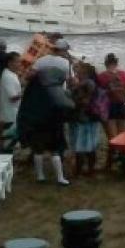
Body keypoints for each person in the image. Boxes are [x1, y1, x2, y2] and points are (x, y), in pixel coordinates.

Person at [17, 38, 74, 186]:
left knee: (38, 142)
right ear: (62, 50)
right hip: (57, 103)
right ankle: (60, 177)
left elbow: (29, 76)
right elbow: (71, 82)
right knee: (56, 140)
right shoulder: (65, 63)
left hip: (40, 102)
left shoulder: (41, 61)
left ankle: (40, 176)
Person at [68, 61, 102, 177]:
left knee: (80, 146)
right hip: (91, 117)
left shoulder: (86, 83)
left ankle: (79, 171)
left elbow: (84, 101)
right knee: (89, 145)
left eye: (78, 69)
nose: (76, 72)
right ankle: (89, 170)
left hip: (83, 117)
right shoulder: (90, 83)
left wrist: (73, 93)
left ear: (84, 72)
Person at [0, 52, 24, 150]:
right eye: (17, 62)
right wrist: (24, 93)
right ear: (10, 63)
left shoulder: (12, 74)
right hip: (9, 115)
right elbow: (12, 97)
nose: (20, 64)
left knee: (12, 142)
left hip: (13, 113)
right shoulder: (8, 76)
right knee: (8, 143)